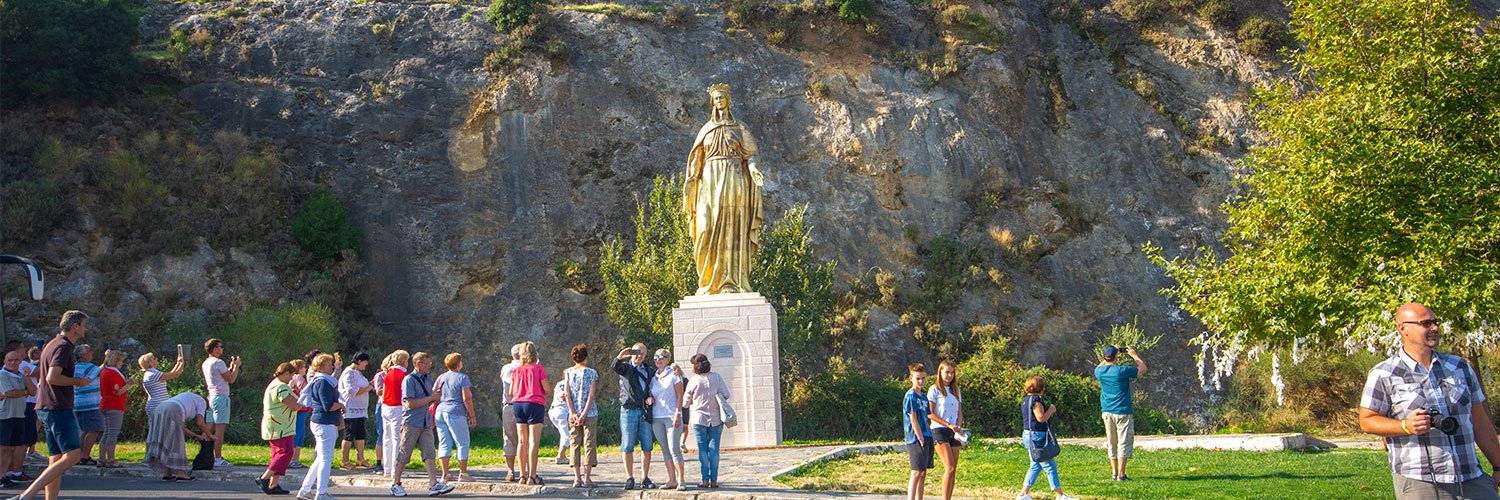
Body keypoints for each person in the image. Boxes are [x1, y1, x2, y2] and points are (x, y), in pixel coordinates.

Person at [1360, 302, 1500, 499]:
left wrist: (1498, 465)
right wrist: (1405, 425)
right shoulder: (1384, 373)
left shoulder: (1460, 367)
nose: (1434, 328)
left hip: (1470, 477)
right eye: (1426, 323)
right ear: (1403, 328)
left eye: (1435, 322)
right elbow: (1367, 420)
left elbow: (1479, 420)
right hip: (1420, 481)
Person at [682, 82, 764, 295]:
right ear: (712, 102)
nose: (719, 101)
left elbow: (751, 154)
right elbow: (696, 157)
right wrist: (691, 177)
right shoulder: (706, 130)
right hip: (709, 181)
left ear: (728, 100)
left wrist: (754, 170)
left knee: (732, 229)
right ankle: (708, 282)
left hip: (733, 179)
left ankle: (731, 281)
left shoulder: (739, 129)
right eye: (716, 98)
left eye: (722, 97)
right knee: (705, 227)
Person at [20, 311, 93, 500]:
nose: (85, 329)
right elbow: (53, 377)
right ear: (75, 326)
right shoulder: (64, 347)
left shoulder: (52, 344)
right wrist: (77, 381)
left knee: (56, 459)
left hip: (45, 406)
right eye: (84, 325)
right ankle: (27, 494)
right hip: (58, 406)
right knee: (73, 455)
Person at [390, 352, 452, 497]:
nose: (430, 366)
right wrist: (431, 397)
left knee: (429, 452)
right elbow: (410, 403)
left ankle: (433, 483)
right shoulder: (409, 380)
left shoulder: (427, 379)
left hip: (425, 421)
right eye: (427, 364)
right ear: (418, 364)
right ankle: (396, 483)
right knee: (405, 453)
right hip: (411, 422)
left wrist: (434, 398)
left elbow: (426, 400)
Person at [1017, 375, 1078, 500]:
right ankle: (1059, 494)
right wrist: (1050, 410)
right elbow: (1041, 418)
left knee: (1035, 464)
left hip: (1028, 434)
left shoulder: (1026, 400)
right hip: (1037, 436)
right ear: (1041, 388)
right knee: (1050, 465)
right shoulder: (1036, 401)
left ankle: (1023, 493)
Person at [1094, 344, 1146, 481]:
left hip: (1107, 410)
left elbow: (1102, 365)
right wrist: (1134, 355)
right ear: (1116, 357)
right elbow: (1143, 369)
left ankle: (1114, 472)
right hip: (1122, 410)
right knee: (1123, 441)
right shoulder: (1121, 371)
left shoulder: (1099, 372)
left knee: (1112, 442)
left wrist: (1111, 353)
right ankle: (1121, 474)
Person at [299, 353, 345, 500]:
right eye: (329, 364)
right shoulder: (323, 382)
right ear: (320, 366)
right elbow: (328, 406)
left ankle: (305, 489)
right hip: (325, 423)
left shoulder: (322, 380)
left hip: (321, 422)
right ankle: (322, 492)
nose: (332, 366)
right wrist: (341, 405)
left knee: (320, 458)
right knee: (326, 459)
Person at [682, 353, 730, 489]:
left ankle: (704, 480)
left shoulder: (694, 380)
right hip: (716, 418)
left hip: (698, 418)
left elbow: (685, 403)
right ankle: (714, 480)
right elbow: (726, 394)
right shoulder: (717, 377)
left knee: (702, 450)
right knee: (714, 449)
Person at [612, 342, 654, 490]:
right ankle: (629, 477)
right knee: (628, 445)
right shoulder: (626, 368)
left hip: (645, 410)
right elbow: (616, 367)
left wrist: (651, 397)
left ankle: (645, 477)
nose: (639, 355)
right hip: (628, 409)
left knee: (647, 445)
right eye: (636, 352)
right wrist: (620, 356)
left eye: (642, 353)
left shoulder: (649, 370)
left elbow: (655, 386)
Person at [145, 391, 212, 481]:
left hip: (160, 408)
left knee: (166, 440)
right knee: (177, 441)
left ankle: (167, 473)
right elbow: (200, 422)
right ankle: (181, 474)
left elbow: (182, 427)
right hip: (173, 409)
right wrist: (210, 435)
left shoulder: (189, 398)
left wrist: (195, 436)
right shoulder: (202, 402)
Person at [258, 362, 303, 495]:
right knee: (286, 452)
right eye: (291, 375)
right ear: (286, 373)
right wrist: (304, 400)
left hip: (278, 425)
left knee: (277, 454)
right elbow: (293, 405)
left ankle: (273, 484)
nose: (292, 378)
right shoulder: (281, 387)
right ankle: (264, 478)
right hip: (279, 426)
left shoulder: (275, 384)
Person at [510, 342, 548, 486]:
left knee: (521, 441)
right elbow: (547, 388)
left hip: (518, 404)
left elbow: (511, 391)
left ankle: (522, 475)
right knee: (533, 441)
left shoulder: (516, 370)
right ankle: (532, 475)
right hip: (534, 403)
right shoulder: (539, 369)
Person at [433, 353, 474, 483]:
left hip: (440, 410)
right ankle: (463, 473)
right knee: (462, 442)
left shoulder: (441, 377)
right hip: (455, 410)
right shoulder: (463, 378)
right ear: (458, 364)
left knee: (444, 442)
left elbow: (434, 391)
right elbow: (466, 398)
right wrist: (472, 415)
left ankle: (445, 474)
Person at [648, 349, 686, 491]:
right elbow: (652, 393)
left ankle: (681, 480)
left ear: (667, 359)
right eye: (655, 357)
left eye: (661, 357)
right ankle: (672, 479)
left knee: (674, 448)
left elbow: (680, 395)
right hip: (657, 416)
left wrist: (678, 413)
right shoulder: (654, 377)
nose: (658, 360)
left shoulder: (674, 375)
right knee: (665, 449)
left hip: (671, 416)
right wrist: (649, 398)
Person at [562, 344, 598, 488]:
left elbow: (567, 394)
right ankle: (587, 477)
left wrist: (573, 412)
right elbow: (591, 394)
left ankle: (577, 478)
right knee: (589, 444)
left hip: (573, 412)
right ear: (586, 357)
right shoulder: (592, 373)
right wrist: (584, 413)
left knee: (575, 444)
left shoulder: (568, 373)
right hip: (590, 412)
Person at [201, 338, 241, 468]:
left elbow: (221, 375)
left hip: (211, 397)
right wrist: (236, 367)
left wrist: (230, 367)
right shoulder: (218, 362)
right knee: (219, 430)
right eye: (220, 346)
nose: (222, 349)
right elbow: (231, 379)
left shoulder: (206, 363)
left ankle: (204, 454)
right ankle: (218, 458)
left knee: (208, 429)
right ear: (214, 348)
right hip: (221, 398)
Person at [926, 360, 963, 500]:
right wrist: (948, 425)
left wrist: (958, 427)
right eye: (946, 372)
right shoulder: (934, 389)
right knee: (950, 467)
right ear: (940, 372)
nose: (949, 375)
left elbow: (959, 412)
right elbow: (930, 413)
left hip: (953, 431)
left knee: (954, 470)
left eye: (952, 373)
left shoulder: (956, 390)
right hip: (939, 429)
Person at [0, 350, 37, 488]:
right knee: (3, 448)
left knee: (11, 448)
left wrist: (27, 378)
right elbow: (9, 393)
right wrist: (25, 392)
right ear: (5, 361)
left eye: (16, 360)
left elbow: (33, 391)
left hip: (19, 415)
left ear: (20, 361)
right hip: (5, 416)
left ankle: (5, 475)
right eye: (9, 360)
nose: (13, 363)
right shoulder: (2, 375)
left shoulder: (21, 376)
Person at [97, 350, 133, 468]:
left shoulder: (105, 371)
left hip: (105, 404)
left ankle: (102, 458)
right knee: (113, 432)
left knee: (107, 432)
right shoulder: (112, 373)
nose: (121, 363)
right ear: (115, 360)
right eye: (120, 361)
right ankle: (111, 459)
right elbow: (117, 391)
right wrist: (129, 384)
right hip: (114, 405)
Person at [902, 363, 933, 500]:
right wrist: (920, 437)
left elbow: (927, 416)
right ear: (911, 378)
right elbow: (913, 418)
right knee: (916, 472)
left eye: (923, 378)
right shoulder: (911, 395)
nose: (921, 381)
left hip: (927, 434)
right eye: (917, 378)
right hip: (915, 438)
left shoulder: (924, 397)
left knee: (923, 472)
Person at [338, 352, 374, 470]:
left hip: (361, 410)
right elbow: (352, 390)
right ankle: (345, 460)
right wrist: (368, 388)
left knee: (360, 434)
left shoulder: (358, 373)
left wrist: (370, 384)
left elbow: (361, 386)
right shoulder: (348, 373)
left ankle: (360, 459)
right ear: (358, 361)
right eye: (365, 361)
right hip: (350, 409)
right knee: (349, 434)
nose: (366, 364)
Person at [380, 350, 410, 482]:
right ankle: (395, 469)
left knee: (387, 437)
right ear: (404, 361)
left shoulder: (388, 373)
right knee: (397, 438)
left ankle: (387, 468)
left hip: (386, 406)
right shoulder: (403, 374)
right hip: (397, 406)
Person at [71, 344, 103, 467]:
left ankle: (79, 456)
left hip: (78, 403)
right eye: (89, 352)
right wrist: (107, 357)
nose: (92, 355)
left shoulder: (74, 368)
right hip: (91, 404)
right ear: (84, 355)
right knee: (94, 430)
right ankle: (85, 456)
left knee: (83, 430)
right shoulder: (89, 367)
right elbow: (101, 369)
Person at [139, 352, 186, 424]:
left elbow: (171, 374)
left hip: (157, 405)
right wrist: (182, 363)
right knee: (160, 429)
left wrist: (178, 363)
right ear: (151, 363)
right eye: (154, 358)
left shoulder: (151, 373)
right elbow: (175, 374)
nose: (156, 359)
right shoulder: (153, 374)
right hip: (157, 405)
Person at [497, 344, 521, 482]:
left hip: (508, 405)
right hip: (523, 404)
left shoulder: (506, 368)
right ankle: (527, 470)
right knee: (525, 439)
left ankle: (510, 471)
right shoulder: (524, 368)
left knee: (509, 438)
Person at [21, 345, 42, 468]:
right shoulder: (26, 365)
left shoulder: (31, 366)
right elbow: (40, 370)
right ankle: (28, 451)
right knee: (30, 427)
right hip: (29, 400)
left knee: (36, 424)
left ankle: (32, 449)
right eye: (37, 354)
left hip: (36, 399)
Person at [288, 358, 311, 469]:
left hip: (303, 410)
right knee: (298, 433)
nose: (305, 369)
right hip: (300, 410)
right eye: (303, 367)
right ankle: (293, 459)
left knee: (300, 433)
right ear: (299, 369)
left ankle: (295, 459)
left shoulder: (294, 378)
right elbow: (303, 391)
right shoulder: (299, 378)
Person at [547, 377, 569, 466]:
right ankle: (561, 455)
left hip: (553, 409)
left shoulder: (559, 383)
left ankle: (563, 454)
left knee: (563, 433)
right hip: (562, 410)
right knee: (566, 435)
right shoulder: (570, 384)